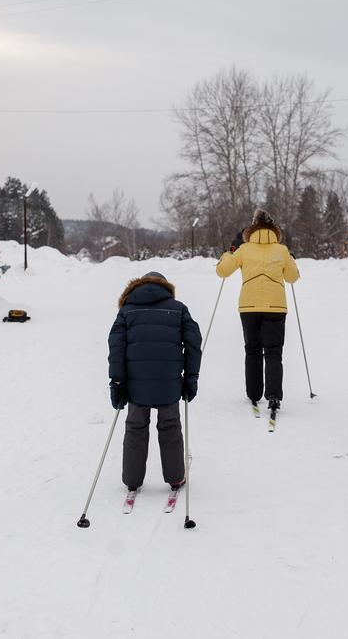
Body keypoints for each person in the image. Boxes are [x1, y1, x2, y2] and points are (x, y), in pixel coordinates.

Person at [108, 271, 202, 492]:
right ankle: (175, 477)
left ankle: (132, 479)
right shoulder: (178, 309)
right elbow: (193, 345)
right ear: (166, 287)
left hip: (135, 384)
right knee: (170, 426)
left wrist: (117, 382)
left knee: (135, 427)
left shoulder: (127, 311)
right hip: (168, 382)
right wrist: (191, 378)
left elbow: (116, 348)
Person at [216, 209, 300, 415]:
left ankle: (253, 393)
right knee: (273, 351)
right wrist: (291, 259)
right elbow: (292, 277)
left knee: (252, 350)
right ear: (274, 229)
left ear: (252, 228)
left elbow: (222, 271)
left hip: (249, 307)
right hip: (276, 306)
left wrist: (228, 253)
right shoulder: (281, 250)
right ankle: (273, 395)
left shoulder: (244, 250)